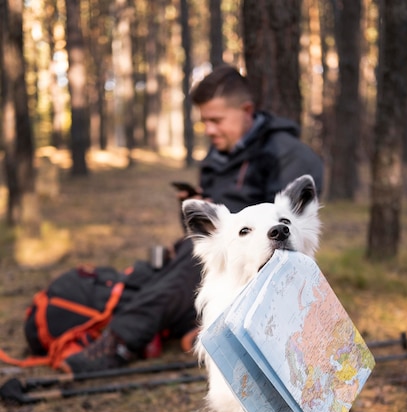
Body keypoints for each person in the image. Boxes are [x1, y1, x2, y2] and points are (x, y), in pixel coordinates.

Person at [62, 64, 323, 374]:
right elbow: (208, 237)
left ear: (246, 110)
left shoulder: (289, 155)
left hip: (261, 270)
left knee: (186, 266)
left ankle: (119, 341)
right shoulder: (216, 158)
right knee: (151, 271)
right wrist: (196, 208)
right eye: (204, 122)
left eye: (216, 120)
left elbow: (288, 231)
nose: (210, 130)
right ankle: (181, 322)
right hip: (223, 262)